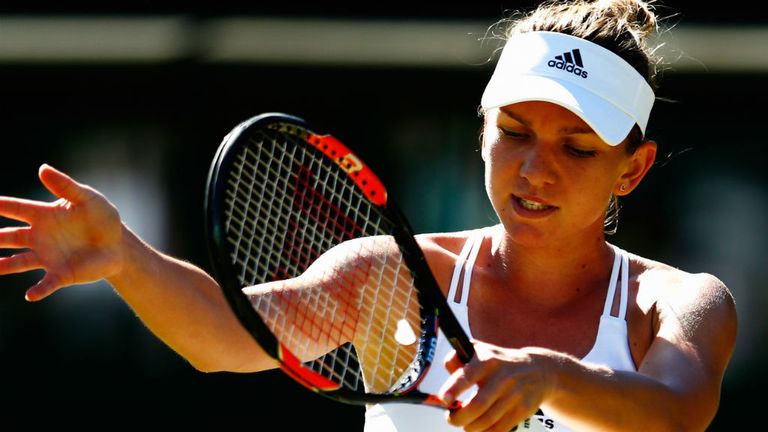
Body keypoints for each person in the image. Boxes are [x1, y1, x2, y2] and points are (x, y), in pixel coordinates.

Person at [0, 0, 737, 430]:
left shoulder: (676, 304)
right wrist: (128, 258)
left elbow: (676, 414)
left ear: (632, 169)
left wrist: (549, 377)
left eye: (576, 148)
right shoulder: (390, 275)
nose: (534, 168)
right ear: (481, 129)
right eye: (513, 132)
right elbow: (224, 334)